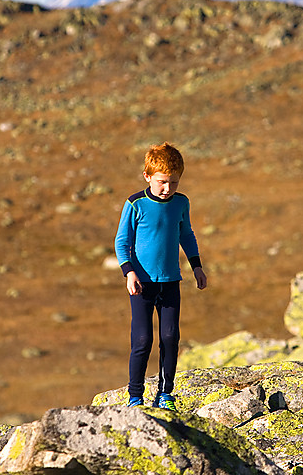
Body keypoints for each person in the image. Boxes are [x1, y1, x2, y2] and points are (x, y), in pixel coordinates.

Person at [114, 142, 207, 410]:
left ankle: (165, 394)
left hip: (170, 282)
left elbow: (186, 235)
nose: (168, 189)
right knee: (142, 340)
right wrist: (129, 272)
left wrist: (196, 266)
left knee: (170, 337)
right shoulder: (135, 203)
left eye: (174, 183)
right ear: (147, 176)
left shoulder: (181, 203)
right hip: (142, 285)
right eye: (162, 182)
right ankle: (135, 397)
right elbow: (122, 242)